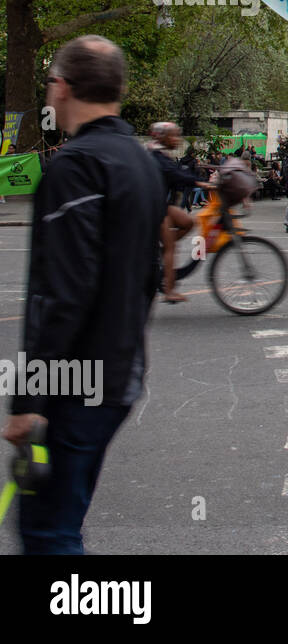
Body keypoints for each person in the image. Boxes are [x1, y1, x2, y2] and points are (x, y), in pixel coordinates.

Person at [4, 35, 165, 554]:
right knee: (62, 518)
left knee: (48, 531)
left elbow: (60, 293)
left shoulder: (74, 167)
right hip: (118, 370)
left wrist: (29, 398)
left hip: (76, 379)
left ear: (62, 87)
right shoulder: (141, 163)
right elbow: (148, 274)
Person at [149, 123, 210, 302]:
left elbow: (177, 173)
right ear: (162, 137)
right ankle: (169, 290)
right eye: (173, 136)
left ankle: (157, 250)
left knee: (189, 223)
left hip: (163, 204)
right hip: (154, 207)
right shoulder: (154, 155)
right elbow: (175, 174)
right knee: (171, 247)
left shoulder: (161, 154)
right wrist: (200, 183)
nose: (177, 139)